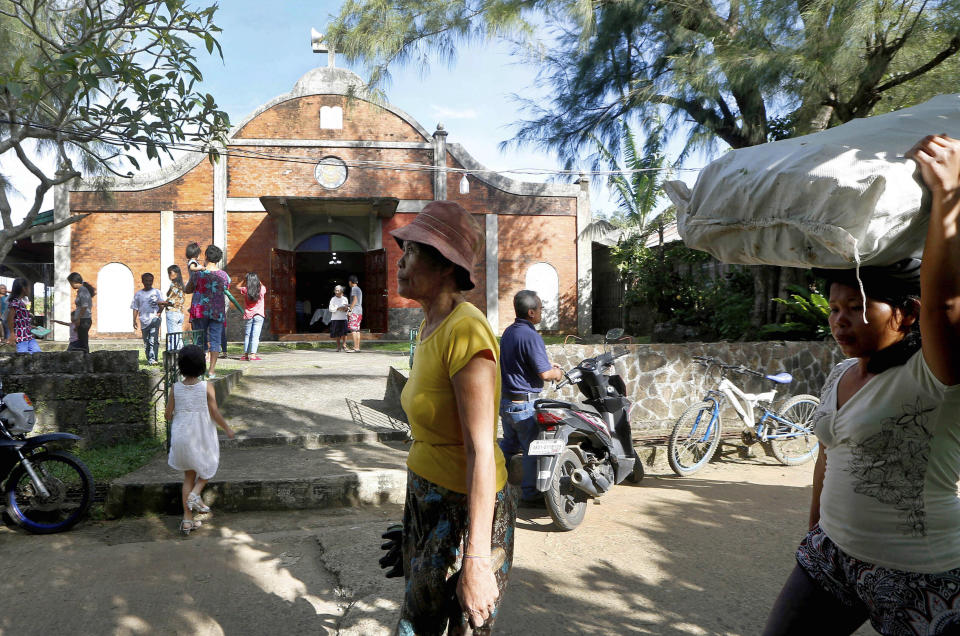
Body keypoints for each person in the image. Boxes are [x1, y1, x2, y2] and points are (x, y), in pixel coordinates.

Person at [763, 134, 960, 636]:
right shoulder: (840, 373)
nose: (839, 320)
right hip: (830, 558)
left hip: (920, 575)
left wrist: (949, 197)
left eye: (856, 307)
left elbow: (946, 305)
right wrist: (814, 532)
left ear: (907, 314)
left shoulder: (937, 374)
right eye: (833, 308)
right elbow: (828, 455)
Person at [389, 200, 516, 634]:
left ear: (445, 266)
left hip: (465, 510)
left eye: (413, 252)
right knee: (420, 622)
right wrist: (414, 527)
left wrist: (476, 560)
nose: (401, 262)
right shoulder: (428, 327)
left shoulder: (466, 330)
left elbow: (482, 449)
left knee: (467, 625)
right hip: (427, 499)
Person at [498, 290, 564, 504]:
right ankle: (530, 495)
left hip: (507, 402)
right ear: (531, 312)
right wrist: (558, 373)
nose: (542, 313)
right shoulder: (531, 335)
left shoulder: (509, 332)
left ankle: (492, 483)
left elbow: (521, 365)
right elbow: (545, 375)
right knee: (532, 449)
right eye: (541, 309)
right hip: (525, 405)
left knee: (508, 445)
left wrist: (547, 366)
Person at [164, 344, 235, 536]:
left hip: (181, 437)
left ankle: (187, 520)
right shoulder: (206, 386)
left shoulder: (175, 388)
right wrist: (227, 428)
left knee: (188, 476)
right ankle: (195, 495)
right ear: (201, 365)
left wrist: (179, 411)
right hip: (201, 436)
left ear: (181, 366)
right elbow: (214, 412)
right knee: (208, 467)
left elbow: (168, 415)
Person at [184, 245, 230, 379]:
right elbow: (225, 287)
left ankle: (201, 369)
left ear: (206, 257)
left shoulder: (198, 274)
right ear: (219, 259)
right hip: (217, 310)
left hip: (200, 310)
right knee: (215, 339)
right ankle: (211, 370)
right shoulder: (224, 275)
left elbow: (188, 289)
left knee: (199, 340)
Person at [131, 273, 163, 365]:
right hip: (144, 320)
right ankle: (149, 357)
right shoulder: (138, 294)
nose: (148, 283)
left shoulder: (157, 292)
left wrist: (159, 313)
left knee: (153, 339)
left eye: (150, 281)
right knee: (146, 341)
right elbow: (135, 308)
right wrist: (134, 320)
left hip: (154, 319)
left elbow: (162, 303)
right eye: (146, 281)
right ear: (142, 281)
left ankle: (153, 359)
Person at [3, 278, 40, 354]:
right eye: (29, 287)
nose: (30, 289)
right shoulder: (15, 302)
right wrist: (12, 334)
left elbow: (20, 320)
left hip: (28, 335)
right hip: (21, 337)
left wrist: (31, 326)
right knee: (22, 356)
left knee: (37, 353)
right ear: (24, 288)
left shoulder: (21, 302)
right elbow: (10, 319)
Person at [239, 272, 267, 361]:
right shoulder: (262, 289)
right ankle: (253, 355)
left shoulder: (245, 290)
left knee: (247, 335)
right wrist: (257, 280)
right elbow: (262, 285)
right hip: (259, 315)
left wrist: (244, 280)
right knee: (256, 335)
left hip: (249, 315)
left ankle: (246, 355)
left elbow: (237, 287)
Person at [66, 272, 95, 353]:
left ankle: (86, 359)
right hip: (82, 319)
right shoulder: (81, 290)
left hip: (84, 320)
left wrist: (78, 319)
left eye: (70, 283)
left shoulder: (83, 290)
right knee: (82, 341)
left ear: (74, 282)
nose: (71, 285)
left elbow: (84, 306)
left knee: (83, 343)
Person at [160, 265, 186, 350]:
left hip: (172, 313)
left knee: (172, 338)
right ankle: (181, 358)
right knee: (179, 338)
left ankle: (172, 359)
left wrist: (157, 302)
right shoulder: (181, 285)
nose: (169, 275)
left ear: (176, 273)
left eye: (170, 273)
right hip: (180, 313)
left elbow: (170, 301)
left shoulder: (174, 285)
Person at [327, 285, 349, 351]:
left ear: (341, 291)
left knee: (345, 333)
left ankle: (344, 345)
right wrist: (338, 308)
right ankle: (338, 347)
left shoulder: (345, 299)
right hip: (335, 318)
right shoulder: (333, 299)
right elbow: (330, 309)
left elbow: (348, 308)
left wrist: (346, 309)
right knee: (337, 333)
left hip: (344, 318)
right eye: (335, 290)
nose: (336, 292)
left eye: (338, 290)